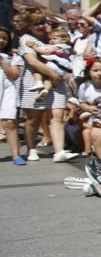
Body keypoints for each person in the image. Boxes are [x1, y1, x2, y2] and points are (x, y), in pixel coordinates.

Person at [18, 12, 76, 162]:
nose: (41, 26)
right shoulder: (26, 39)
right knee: (33, 119)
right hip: (35, 81)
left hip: (56, 82)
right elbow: (32, 61)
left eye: (42, 23)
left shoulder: (52, 37)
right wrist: (54, 75)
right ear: (29, 26)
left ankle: (59, 151)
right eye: (36, 24)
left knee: (57, 116)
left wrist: (66, 74)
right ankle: (31, 149)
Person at [24, 26, 73, 103]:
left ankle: (38, 82)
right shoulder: (67, 48)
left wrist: (34, 47)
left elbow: (45, 52)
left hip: (55, 65)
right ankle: (46, 90)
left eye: (54, 38)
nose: (51, 41)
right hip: (63, 70)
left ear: (64, 39)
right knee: (49, 79)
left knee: (37, 69)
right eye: (50, 39)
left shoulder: (58, 46)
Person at [0, 26, 25, 165]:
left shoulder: (12, 57)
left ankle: (16, 155)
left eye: (4, 38)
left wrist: (3, 63)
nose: (1, 40)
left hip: (7, 90)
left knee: (10, 122)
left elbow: (15, 75)